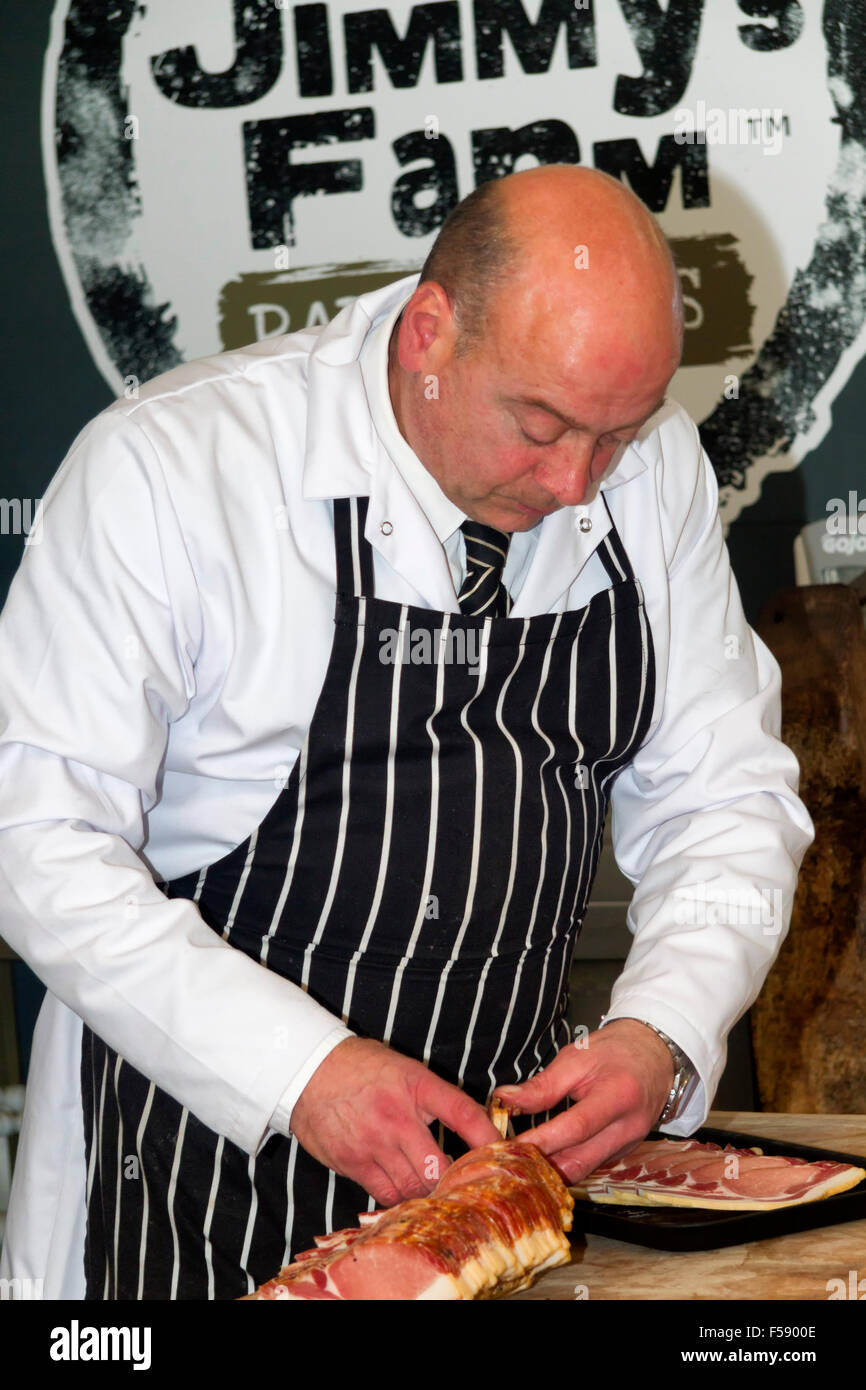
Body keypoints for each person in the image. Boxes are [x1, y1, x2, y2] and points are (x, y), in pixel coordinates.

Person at [0, 165, 813, 1299]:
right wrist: (303, 1070)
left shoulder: (647, 466)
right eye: (538, 425)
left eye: (615, 437)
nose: (577, 483)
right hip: (188, 1186)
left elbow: (722, 797)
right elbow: (36, 842)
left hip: (495, 1192)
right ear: (430, 333)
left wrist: (660, 1031)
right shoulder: (174, 469)